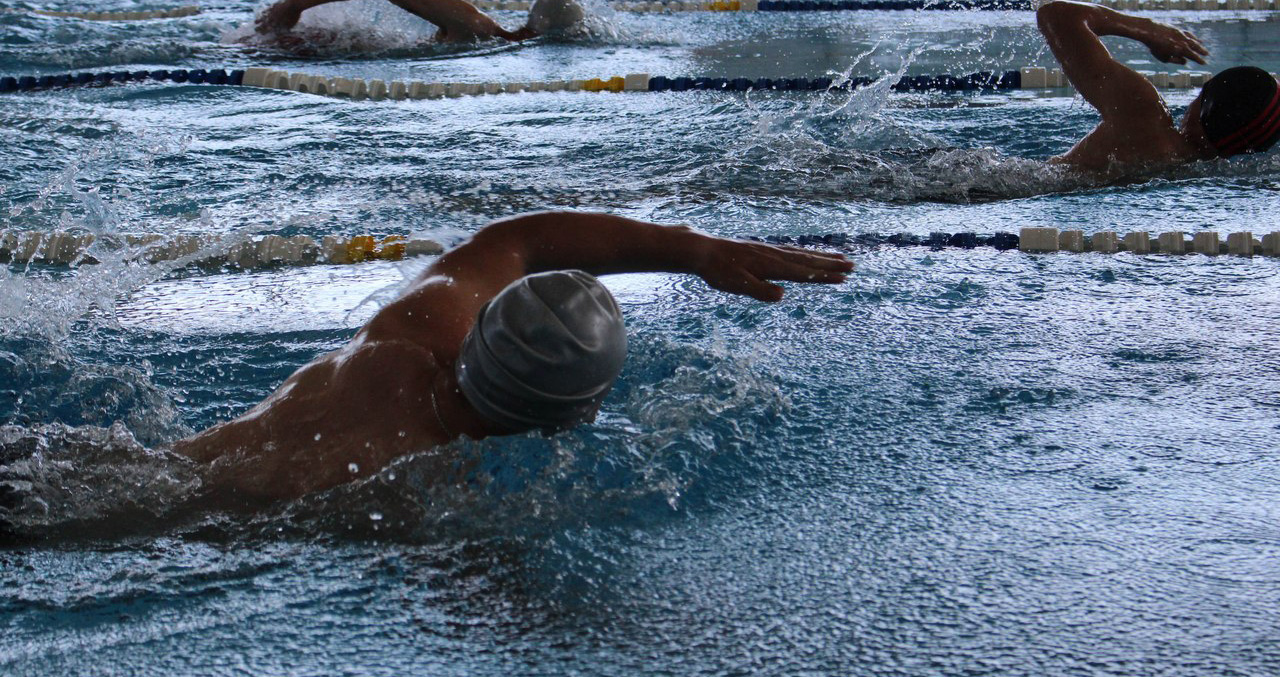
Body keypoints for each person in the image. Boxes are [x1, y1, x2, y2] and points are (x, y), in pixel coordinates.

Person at [170, 212, 854, 507]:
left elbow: (518, 241)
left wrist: (693, 248)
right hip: (163, 529)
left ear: (477, 332)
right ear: (574, 414)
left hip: (166, 467)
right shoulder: (426, 494)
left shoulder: (408, 333)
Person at [1037, 0, 1280, 171]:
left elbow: (1057, 15)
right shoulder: (1190, 172)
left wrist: (1148, 29)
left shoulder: (1144, 115)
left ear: (1204, 105)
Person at [253, 0, 586, 45]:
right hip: (314, 49)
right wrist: (297, 2)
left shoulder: (488, 37)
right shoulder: (473, 24)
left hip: (328, 50)